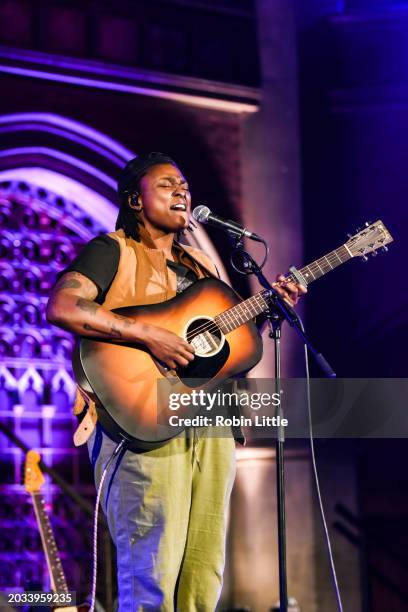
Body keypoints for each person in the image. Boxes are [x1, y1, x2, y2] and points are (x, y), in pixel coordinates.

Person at [46, 152, 305, 611]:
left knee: (204, 574)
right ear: (135, 200)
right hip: (139, 418)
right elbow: (64, 307)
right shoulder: (112, 250)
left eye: (183, 183)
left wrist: (270, 312)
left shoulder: (204, 263)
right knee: (153, 571)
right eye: (166, 184)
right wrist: (148, 333)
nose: (181, 189)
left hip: (209, 421)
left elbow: (225, 352)